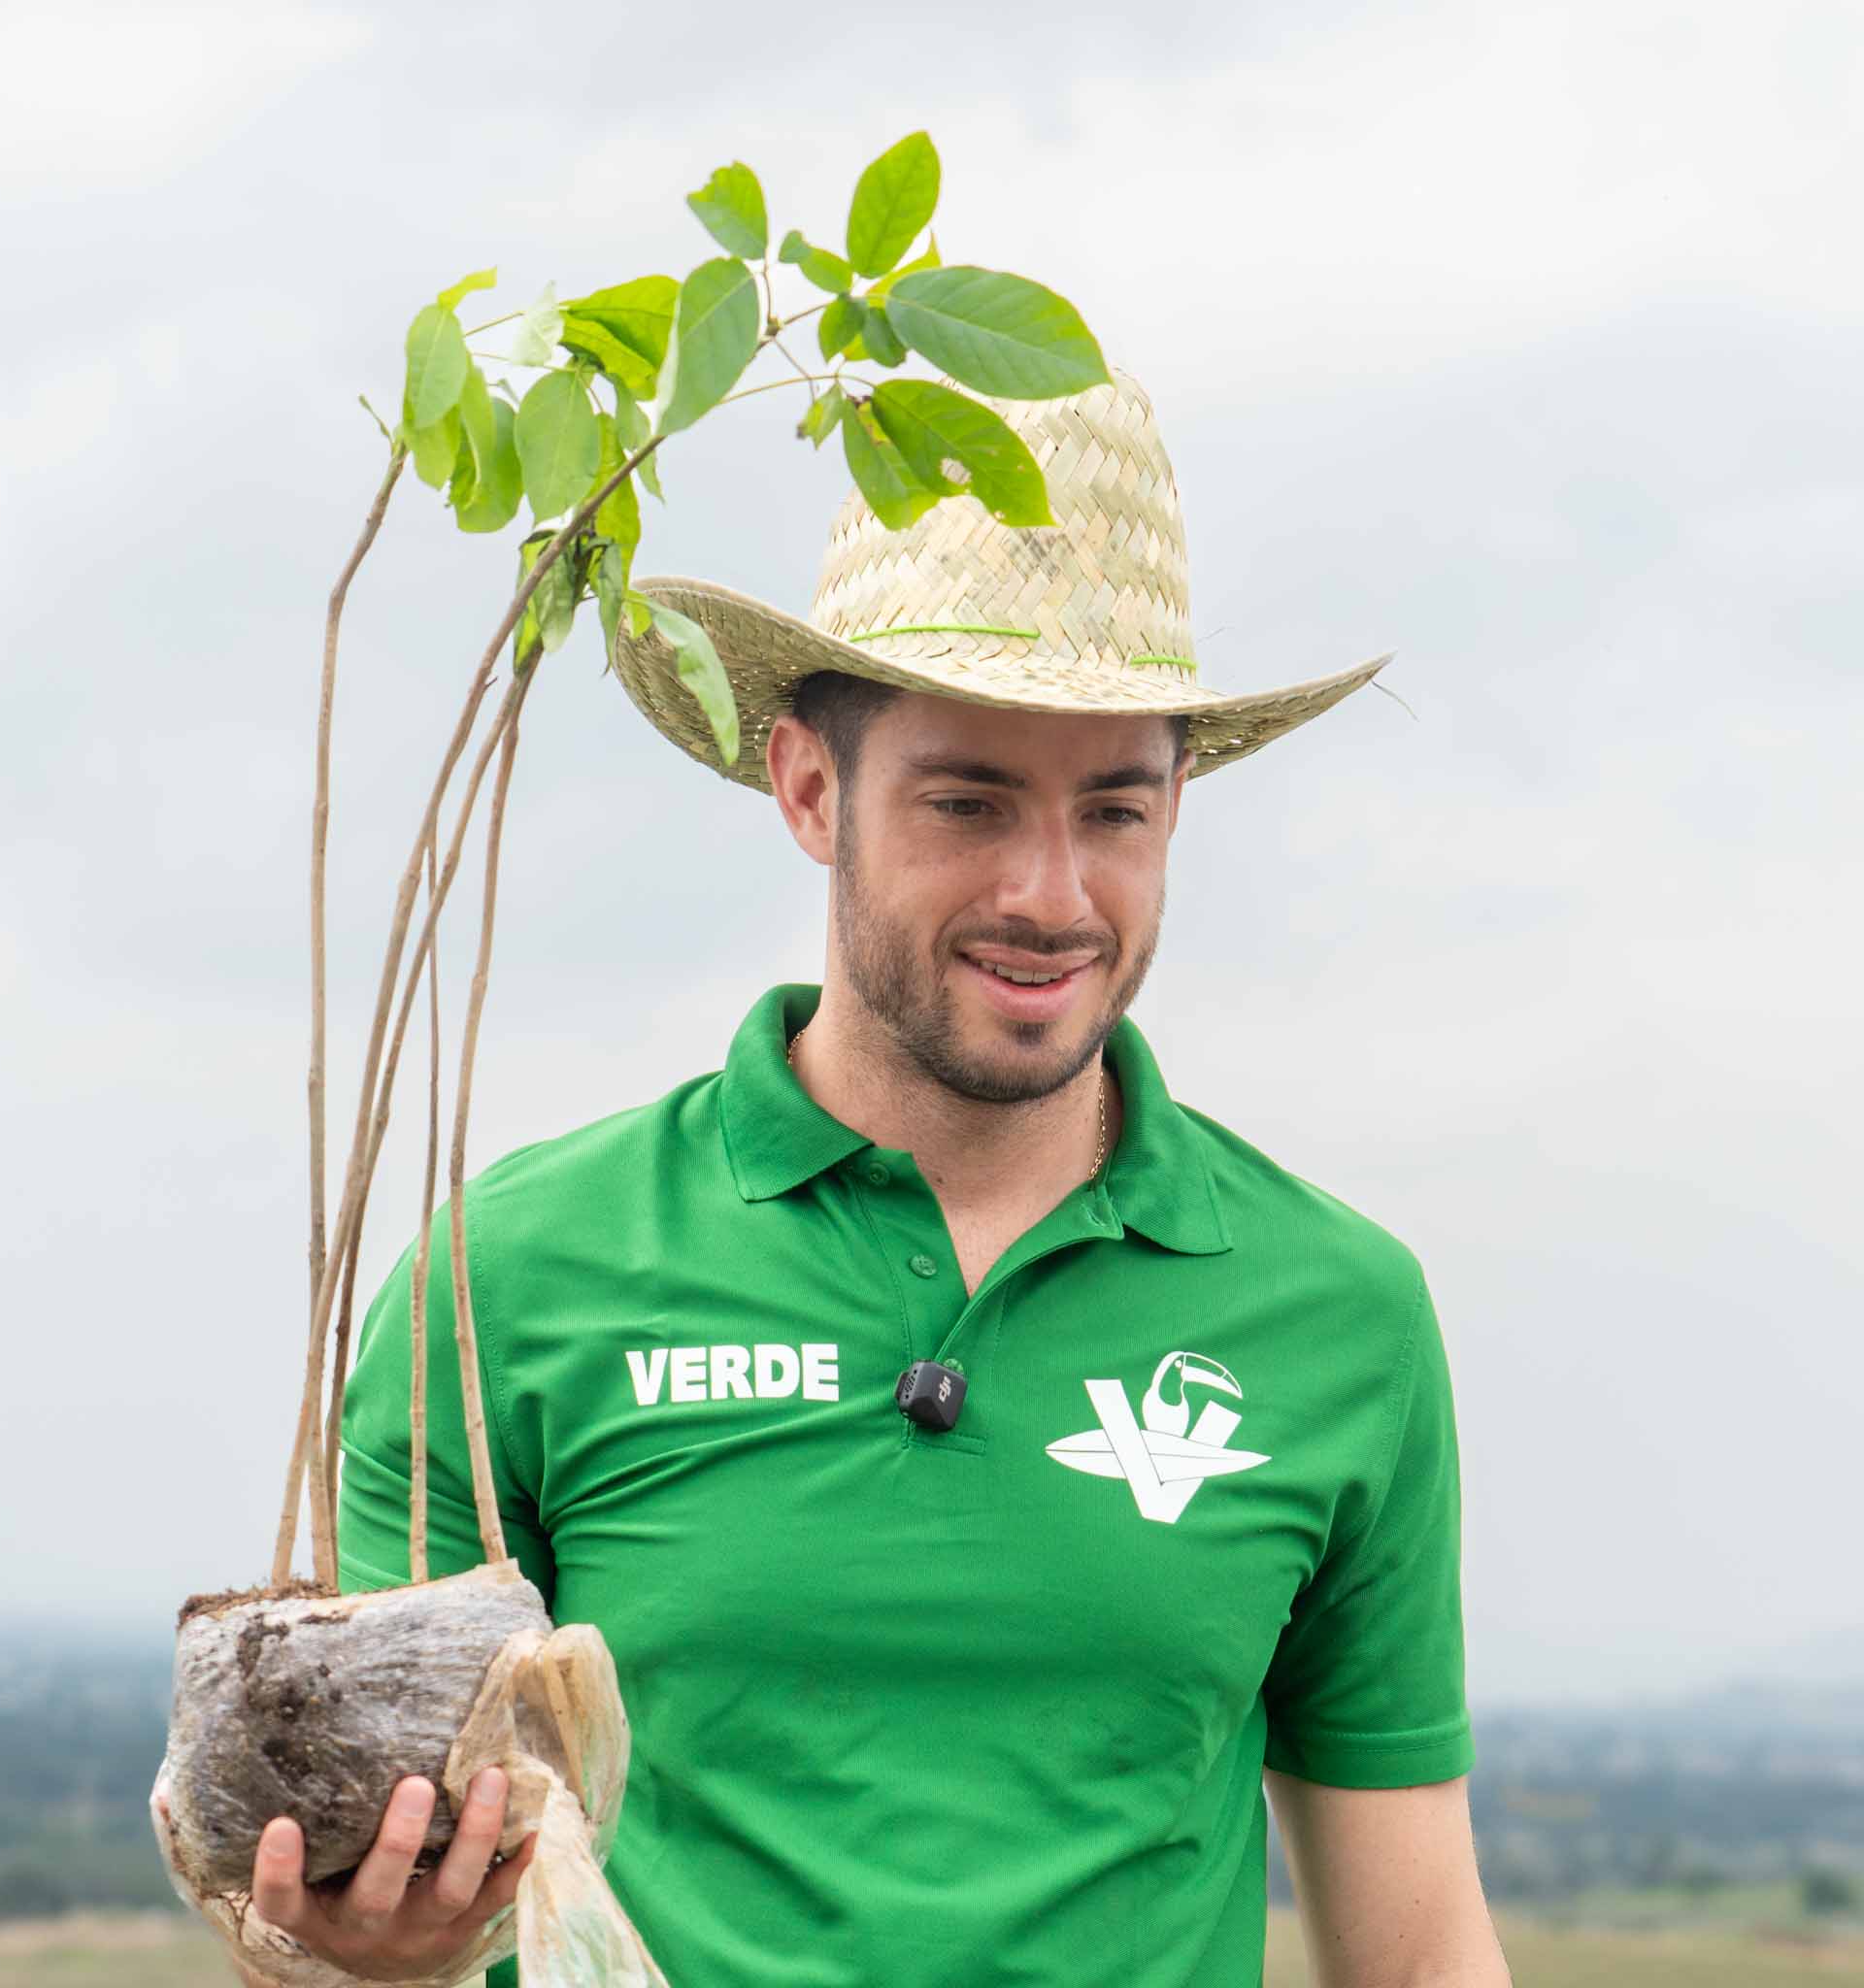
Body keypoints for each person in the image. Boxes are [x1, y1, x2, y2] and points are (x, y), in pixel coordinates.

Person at [245, 371, 1512, 1987]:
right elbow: (335, 1900)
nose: (1052, 895)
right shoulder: (508, 1276)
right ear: (809, 789)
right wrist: (352, 1949)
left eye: (1113, 808)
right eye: (969, 802)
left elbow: (1413, 1951)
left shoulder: (1342, 1314)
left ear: (1178, 805)